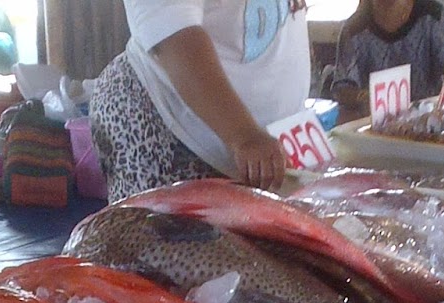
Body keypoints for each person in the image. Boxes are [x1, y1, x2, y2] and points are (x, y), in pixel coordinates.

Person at [88, 0, 311, 204]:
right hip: (173, 130)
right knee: (181, 243)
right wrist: (245, 136)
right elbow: (174, 36)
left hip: (265, 141)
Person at [326, 0, 444, 118]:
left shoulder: (431, 14)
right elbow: (341, 88)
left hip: (430, 123)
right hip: (378, 129)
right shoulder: (354, 28)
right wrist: (364, 96)